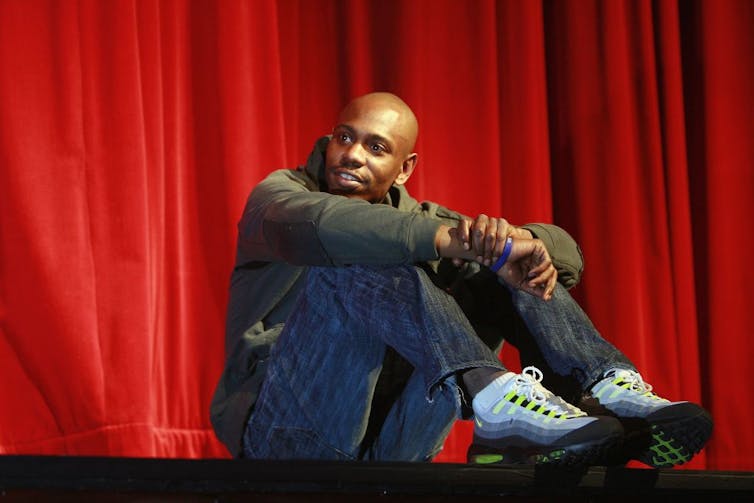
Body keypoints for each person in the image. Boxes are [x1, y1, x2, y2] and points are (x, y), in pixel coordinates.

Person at [210, 92, 712, 467]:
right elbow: (331, 226)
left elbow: (565, 254)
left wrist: (520, 242)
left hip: (401, 439)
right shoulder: (278, 198)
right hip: (290, 432)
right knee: (362, 251)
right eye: (346, 137)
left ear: (405, 169)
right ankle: (496, 400)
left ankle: (601, 388)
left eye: (376, 146)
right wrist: (461, 241)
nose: (354, 155)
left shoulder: (426, 218)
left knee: (504, 268)